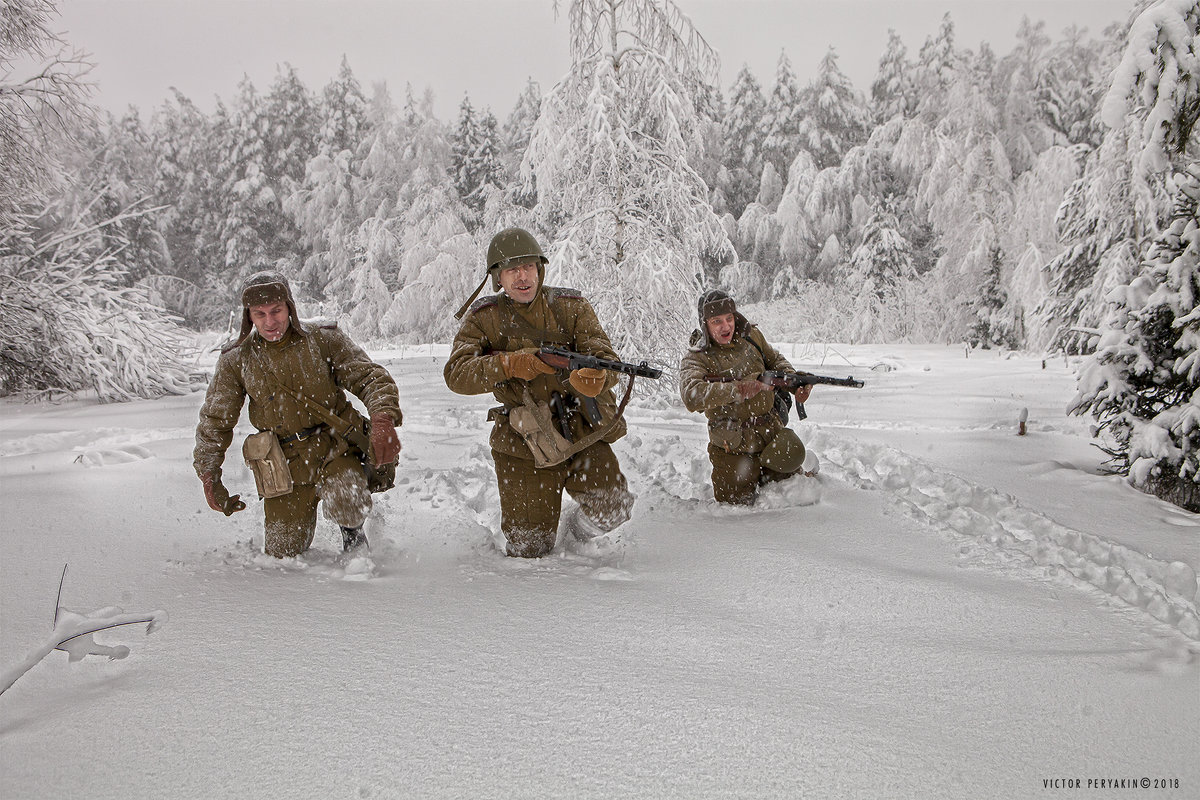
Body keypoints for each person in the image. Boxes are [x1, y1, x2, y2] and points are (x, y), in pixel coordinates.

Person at [444, 227, 635, 558]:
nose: (522, 277)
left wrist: (595, 377)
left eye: (529, 267)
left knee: (613, 508)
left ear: (540, 269)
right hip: (523, 439)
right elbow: (457, 374)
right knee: (529, 547)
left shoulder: (571, 307)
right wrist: (510, 365)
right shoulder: (484, 318)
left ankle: (574, 537)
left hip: (579, 429)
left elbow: (605, 359)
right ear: (498, 277)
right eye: (512, 269)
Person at [193, 271, 402, 558]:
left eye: (277, 311)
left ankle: (353, 538)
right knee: (283, 554)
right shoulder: (237, 359)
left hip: (335, 447)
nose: (270, 321)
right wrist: (209, 474)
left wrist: (382, 420)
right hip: (283, 463)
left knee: (347, 499)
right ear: (249, 316)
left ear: (290, 307)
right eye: (260, 314)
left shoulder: (323, 340)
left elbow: (371, 378)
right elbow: (215, 420)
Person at [679, 289, 814, 505]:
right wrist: (739, 389)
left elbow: (775, 360)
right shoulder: (697, 356)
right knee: (736, 508)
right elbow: (691, 395)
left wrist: (794, 382)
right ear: (705, 324)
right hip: (732, 443)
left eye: (729, 318)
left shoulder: (752, 337)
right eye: (717, 321)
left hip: (770, 432)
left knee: (793, 489)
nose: (726, 327)